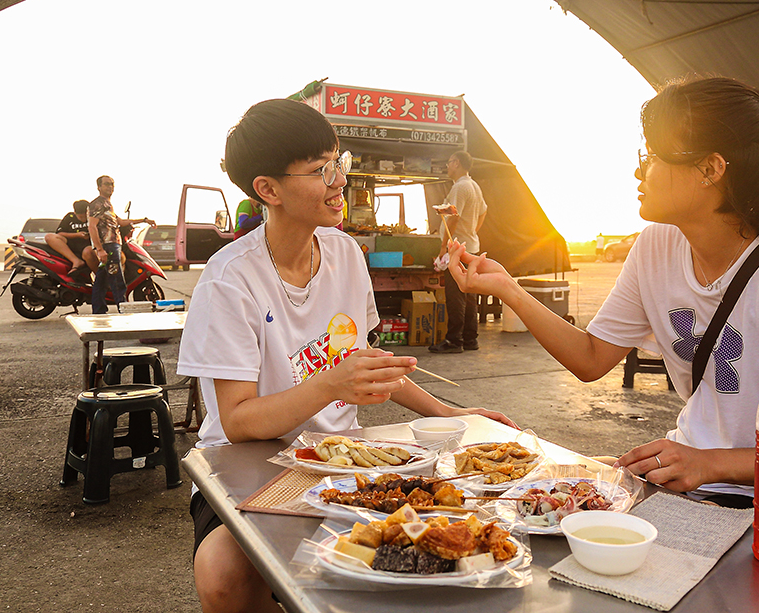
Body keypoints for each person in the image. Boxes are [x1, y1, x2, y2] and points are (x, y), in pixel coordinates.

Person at [445, 77, 759, 547]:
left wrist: (709, 463)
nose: (639, 171)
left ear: (710, 168)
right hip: (694, 493)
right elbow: (591, 358)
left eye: (651, 156)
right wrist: (507, 288)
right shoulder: (656, 246)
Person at [177, 99, 516, 613]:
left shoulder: (345, 253)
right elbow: (238, 421)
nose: (340, 180)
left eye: (339, 161)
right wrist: (331, 384)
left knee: (456, 529)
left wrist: (451, 413)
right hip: (247, 465)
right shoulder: (229, 279)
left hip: (339, 462)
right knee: (224, 574)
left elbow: (361, 360)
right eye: (320, 170)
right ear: (268, 189)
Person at [428, 150, 487, 354]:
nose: (447, 166)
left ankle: (454, 340)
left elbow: (454, 217)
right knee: (469, 294)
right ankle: (470, 338)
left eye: (449, 162)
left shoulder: (460, 187)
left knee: (455, 295)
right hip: (470, 247)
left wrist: (444, 246)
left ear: (457, 163)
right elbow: (483, 211)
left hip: (456, 249)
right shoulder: (474, 185)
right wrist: (472, 231)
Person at [88, 176, 155, 314]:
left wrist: (144, 220)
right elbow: (92, 226)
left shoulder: (107, 204)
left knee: (101, 280)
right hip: (108, 246)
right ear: (99, 187)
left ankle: (99, 310)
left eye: (112, 184)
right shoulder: (97, 204)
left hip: (113, 245)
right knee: (117, 279)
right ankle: (123, 310)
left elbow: (120, 222)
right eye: (106, 184)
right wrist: (99, 249)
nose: (110, 187)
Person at [44, 199, 96, 279]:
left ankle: (100, 278)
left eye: (85, 216)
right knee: (49, 236)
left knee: (88, 251)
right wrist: (77, 235)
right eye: (80, 217)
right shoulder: (70, 217)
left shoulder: (94, 217)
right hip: (70, 245)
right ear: (75, 213)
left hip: (87, 245)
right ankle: (76, 261)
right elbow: (60, 233)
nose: (83, 219)